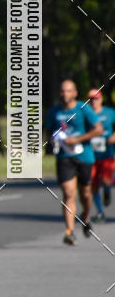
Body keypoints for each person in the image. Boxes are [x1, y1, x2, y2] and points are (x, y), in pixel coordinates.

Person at [45, 79, 102, 245]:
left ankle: (85, 216)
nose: (65, 94)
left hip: (84, 156)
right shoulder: (54, 111)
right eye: (62, 91)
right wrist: (53, 140)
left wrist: (77, 139)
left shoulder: (84, 109)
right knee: (69, 193)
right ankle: (69, 232)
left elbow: (98, 129)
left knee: (85, 193)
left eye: (68, 91)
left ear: (75, 93)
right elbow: (49, 131)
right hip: (64, 157)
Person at [87, 88, 115, 221]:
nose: (94, 102)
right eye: (91, 99)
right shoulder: (85, 113)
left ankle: (108, 190)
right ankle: (100, 211)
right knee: (92, 184)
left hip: (106, 154)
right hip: (90, 156)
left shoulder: (109, 113)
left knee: (105, 180)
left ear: (101, 99)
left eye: (96, 98)